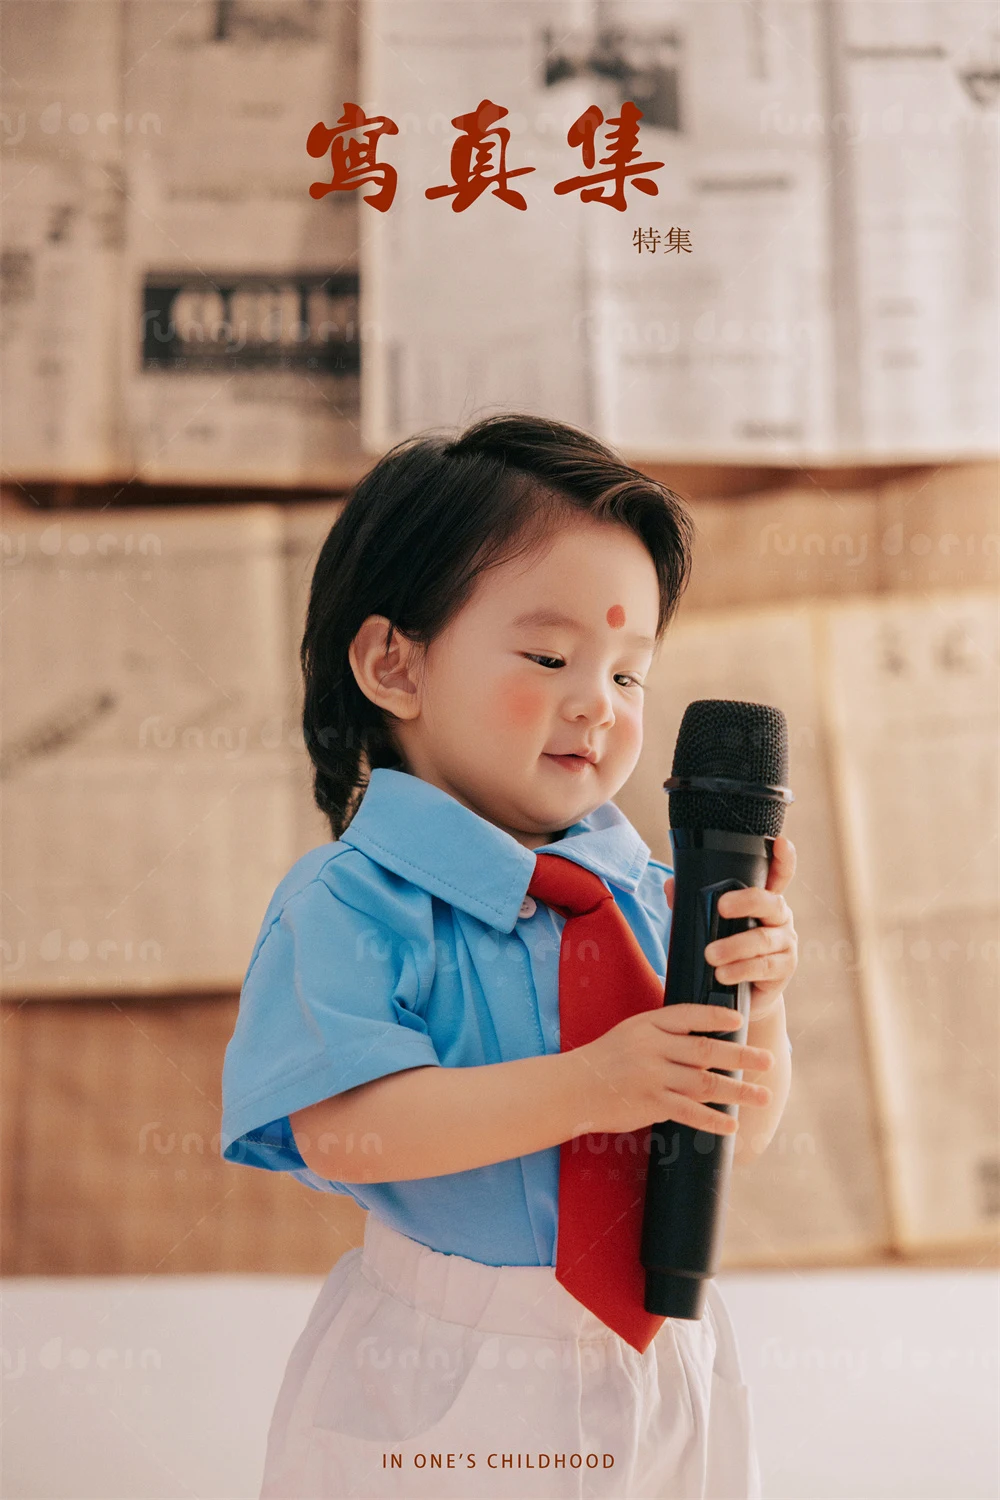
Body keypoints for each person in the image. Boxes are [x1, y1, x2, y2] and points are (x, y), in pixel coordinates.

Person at [220, 412, 798, 1499]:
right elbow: (346, 1131)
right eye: (548, 656)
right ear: (395, 666)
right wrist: (589, 1087)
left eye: (629, 676)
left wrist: (753, 1008)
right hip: (448, 1364)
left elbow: (741, 1135)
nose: (598, 705)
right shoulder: (350, 905)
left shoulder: (658, 895)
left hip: (661, 1349)